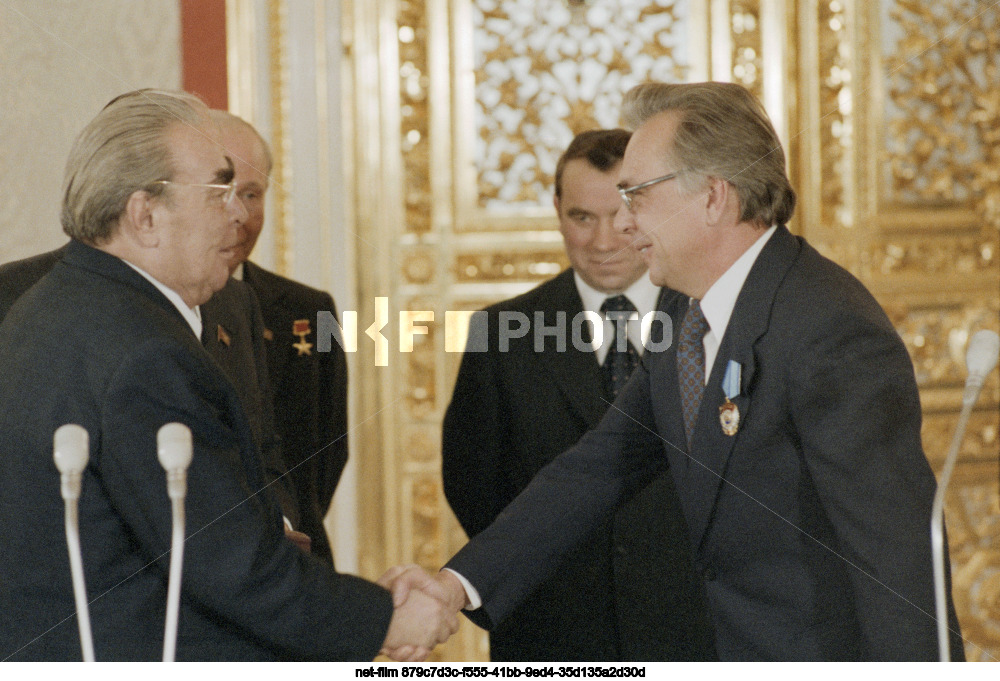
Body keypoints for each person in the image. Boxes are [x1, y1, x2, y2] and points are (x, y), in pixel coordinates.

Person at [384, 81, 965, 661]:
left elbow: (898, 560)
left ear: (713, 196)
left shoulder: (826, 326)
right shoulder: (686, 309)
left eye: (637, 195)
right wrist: (453, 586)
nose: (624, 225)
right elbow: (601, 465)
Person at [0, 89, 455, 661]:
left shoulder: (60, 305)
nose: (240, 214)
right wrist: (382, 619)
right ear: (145, 216)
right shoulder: (144, 353)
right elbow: (228, 563)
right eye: (219, 191)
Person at [442, 129, 715, 660]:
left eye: (620, 216)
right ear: (556, 211)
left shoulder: (710, 320)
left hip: (695, 629)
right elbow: (473, 487)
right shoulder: (500, 332)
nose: (604, 241)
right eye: (582, 218)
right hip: (550, 631)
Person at [210, 111, 349, 566]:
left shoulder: (311, 310)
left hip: (298, 569)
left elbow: (329, 455)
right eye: (222, 194)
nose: (239, 215)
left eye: (252, 194)